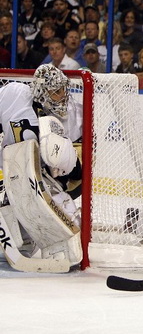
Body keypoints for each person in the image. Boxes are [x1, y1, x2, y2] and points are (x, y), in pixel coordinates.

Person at [0, 64, 83, 269]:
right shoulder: (15, 94)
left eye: (64, 90)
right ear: (41, 92)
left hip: (44, 185)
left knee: (70, 224)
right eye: (56, 92)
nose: (62, 96)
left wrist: (66, 159)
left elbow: (78, 176)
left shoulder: (73, 116)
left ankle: (37, 241)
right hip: (10, 178)